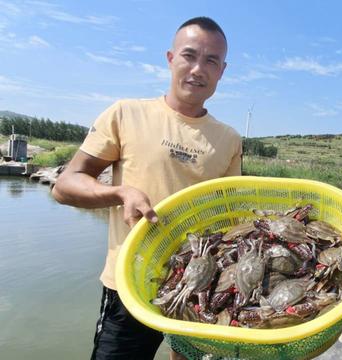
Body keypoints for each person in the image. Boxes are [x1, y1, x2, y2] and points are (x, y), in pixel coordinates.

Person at [52, 16, 242, 360]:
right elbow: (64, 185)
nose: (199, 69)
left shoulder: (229, 139)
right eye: (189, 55)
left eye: (211, 61)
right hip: (129, 285)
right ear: (170, 59)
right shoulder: (126, 113)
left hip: (200, 289)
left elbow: (229, 217)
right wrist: (119, 193)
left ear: (222, 71)